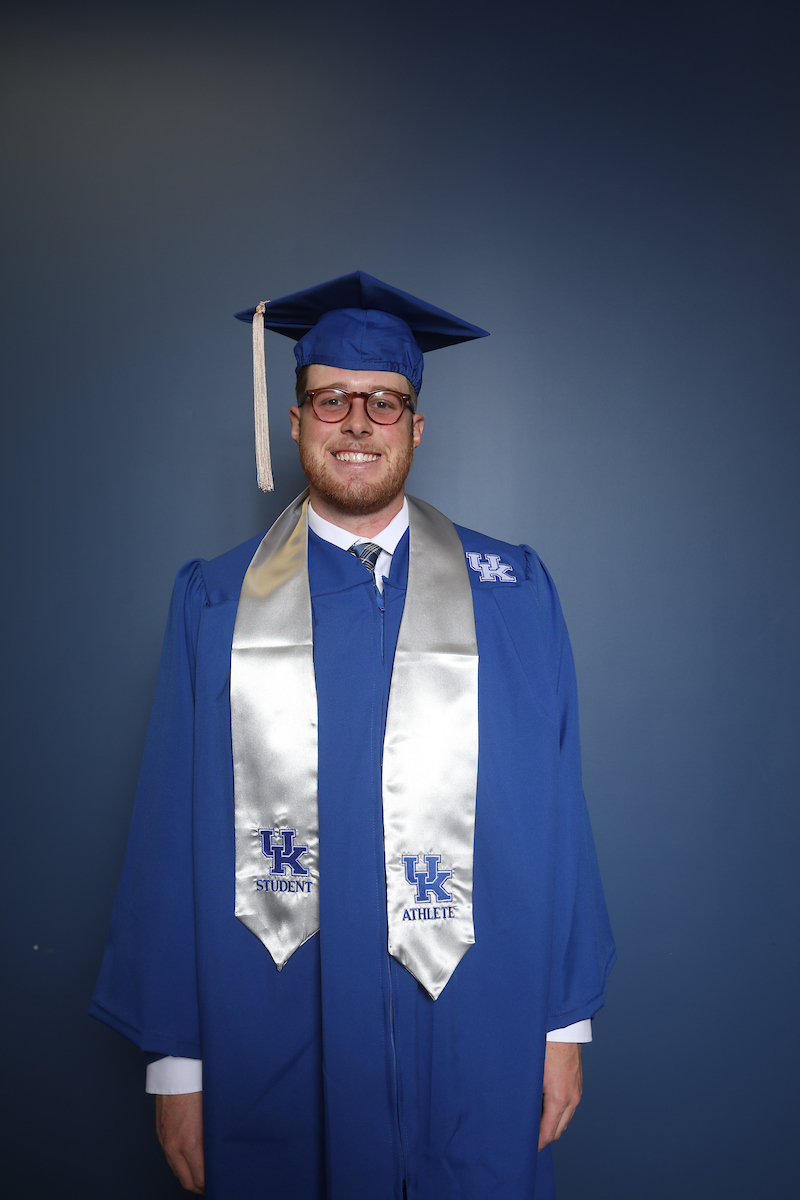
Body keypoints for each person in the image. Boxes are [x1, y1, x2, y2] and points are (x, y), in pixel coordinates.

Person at [90, 271, 616, 1200]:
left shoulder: (514, 593)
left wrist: (563, 1026)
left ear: (418, 426)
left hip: (477, 1015)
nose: (358, 421)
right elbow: (169, 832)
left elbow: (557, 819)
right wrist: (176, 1061)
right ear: (294, 422)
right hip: (274, 1012)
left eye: (386, 402)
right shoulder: (216, 602)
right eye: (331, 398)